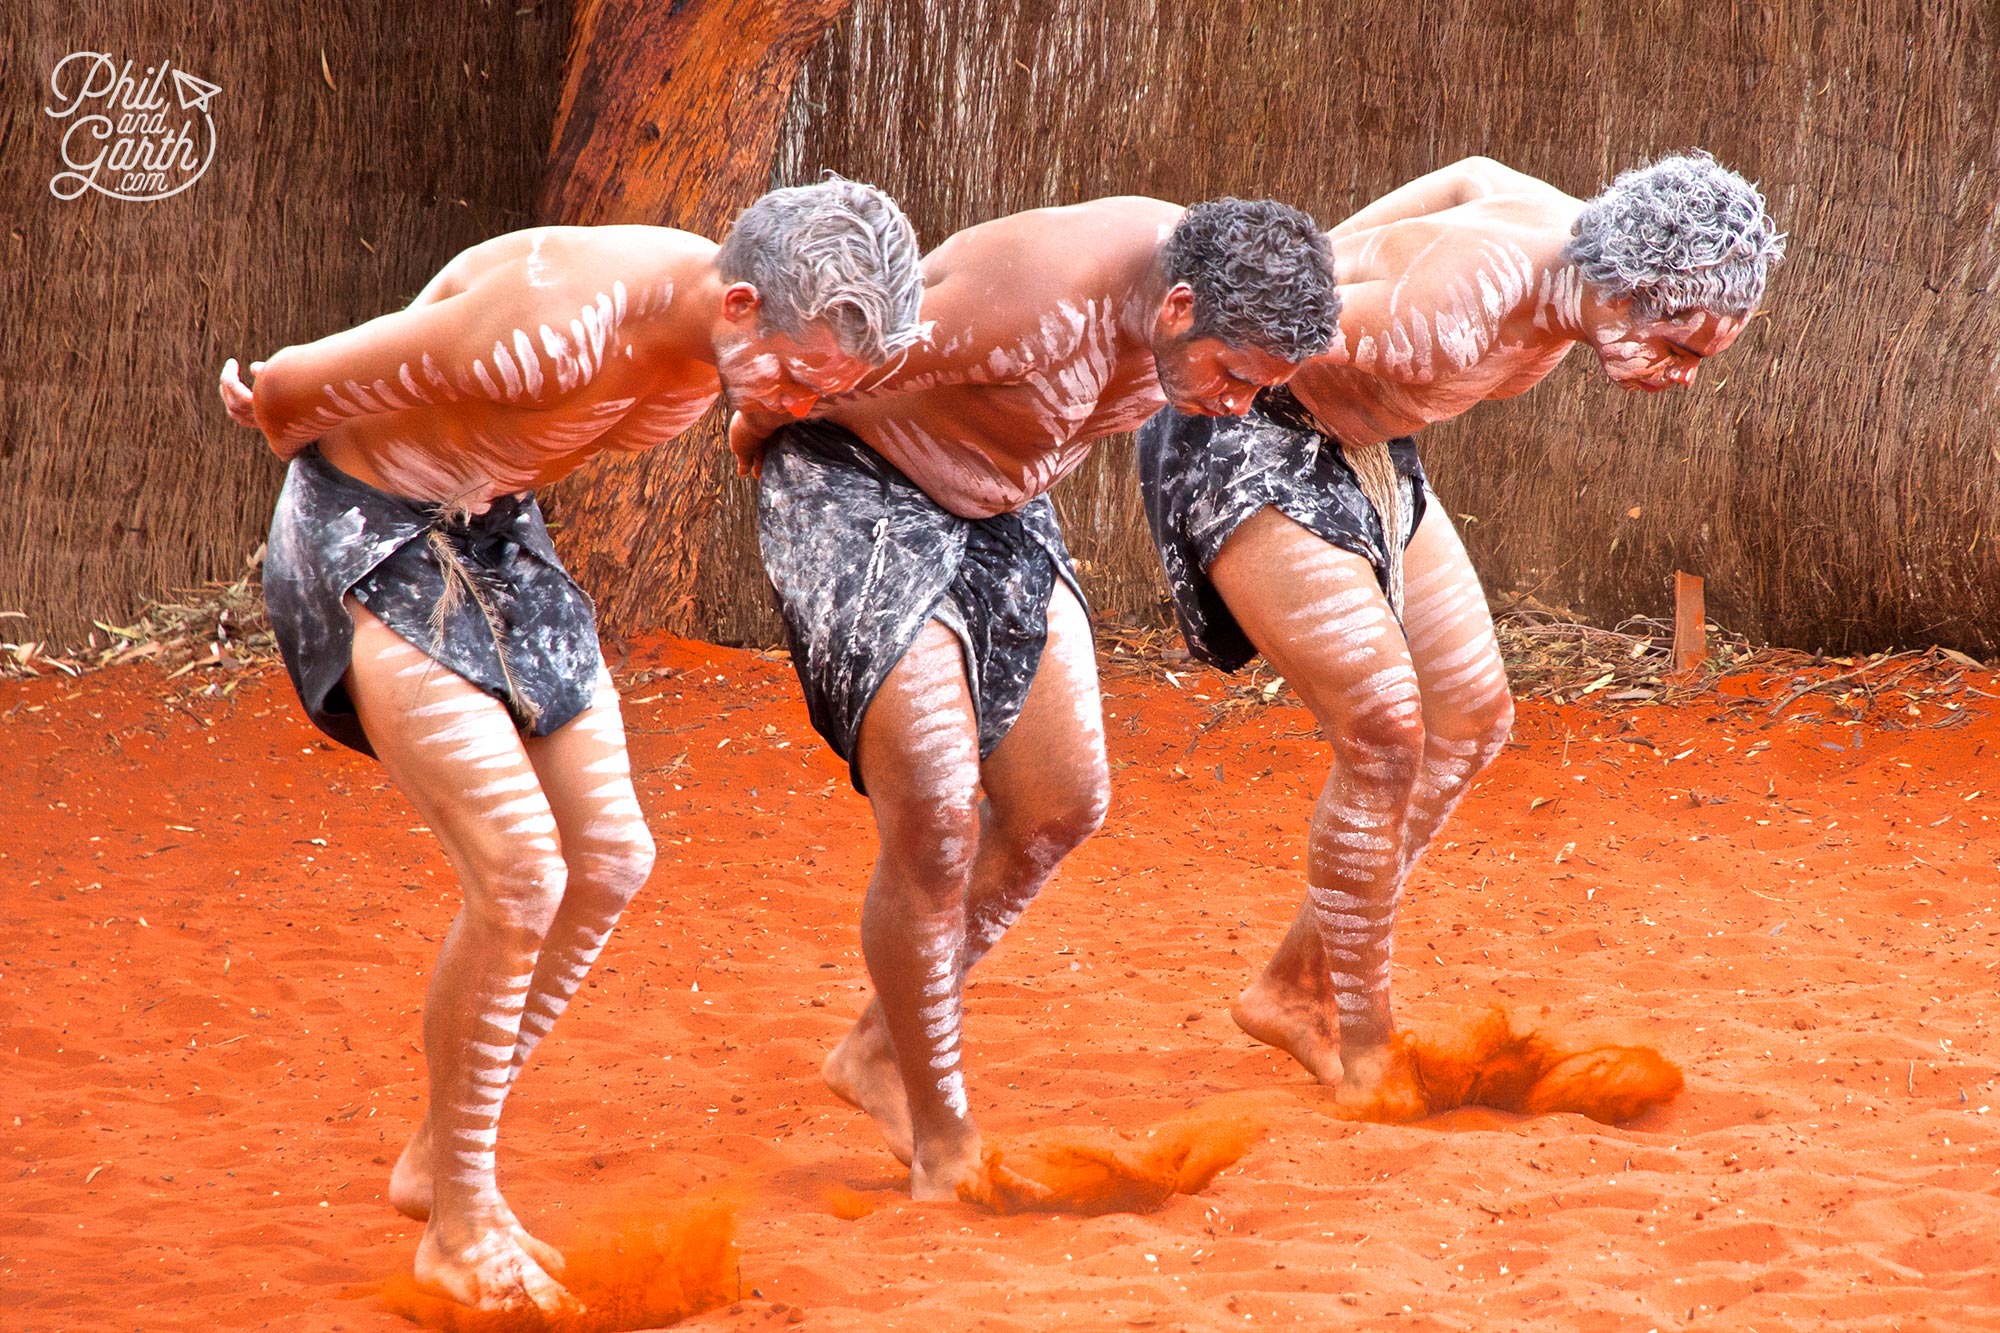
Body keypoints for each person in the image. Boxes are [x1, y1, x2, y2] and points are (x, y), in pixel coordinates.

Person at [216, 179, 924, 1312]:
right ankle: (458, 1218)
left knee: (609, 857)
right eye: (792, 374)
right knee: (520, 871)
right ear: (738, 304)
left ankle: (437, 1152)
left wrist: (778, 412)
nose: (798, 402)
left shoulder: (733, 343)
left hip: (495, 533)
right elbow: (295, 382)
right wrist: (275, 403)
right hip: (370, 531)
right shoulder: (547, 329)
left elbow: (772, 399)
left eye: (820, 387)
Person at [1136, 152, 1784, 1095]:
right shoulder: (1440, 317)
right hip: (1247, 437)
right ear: (1629, 289)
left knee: (1472, 718)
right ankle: (1363, 1043)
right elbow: (1220, 344)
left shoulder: (1573, 236)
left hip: (1365, 446)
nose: (1681, 376)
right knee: (1387, 730)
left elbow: (1471, 175)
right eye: (1677, 349)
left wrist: (1331, 253)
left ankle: (1294, 982)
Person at [734, 195, 1338, 1198]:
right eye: (1233, 376)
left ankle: (877, 1051)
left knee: (1060, 803)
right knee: (930, 814)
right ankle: (942, 1137)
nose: (1237, 405)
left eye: (1260, 387)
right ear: (1179, 307)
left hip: (999, 496)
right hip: (858, 481)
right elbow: (807, 358)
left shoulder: (1219, 305)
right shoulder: (1022, 312)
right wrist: (755, 428)